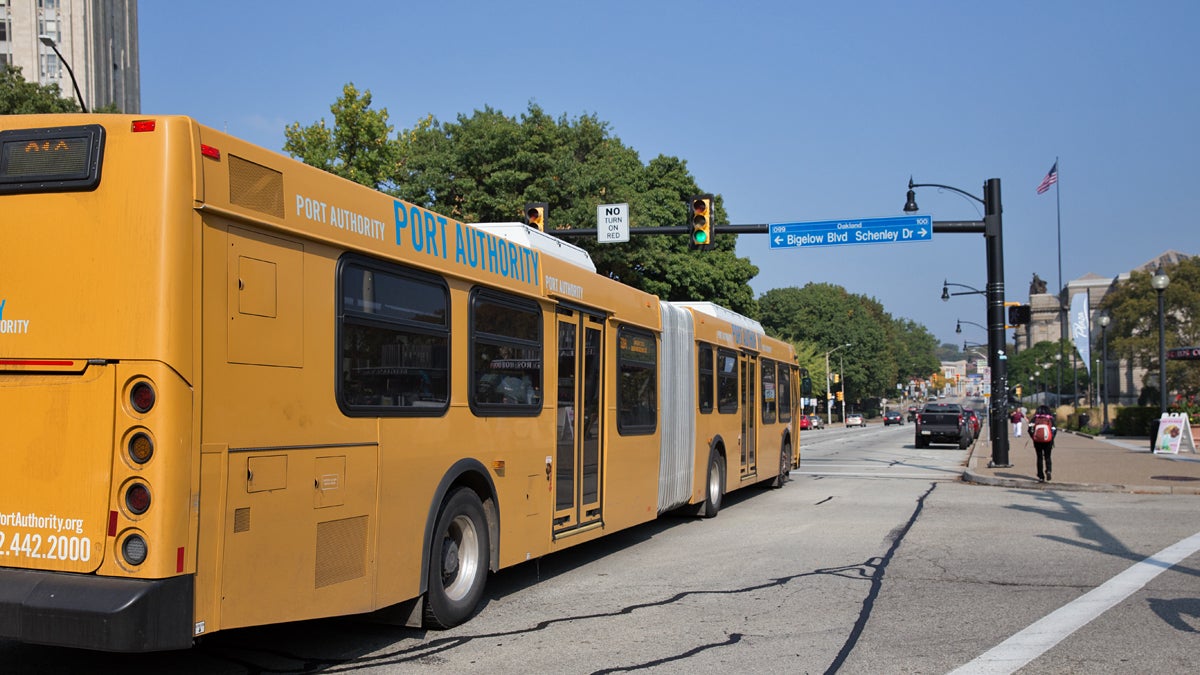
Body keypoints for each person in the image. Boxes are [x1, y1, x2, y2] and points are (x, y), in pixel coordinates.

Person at [1030, 405, 1056, 482]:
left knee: (1039, 457)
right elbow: (1054, 429)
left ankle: (1040, 475)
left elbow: (1029, 429)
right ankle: (1048, 470)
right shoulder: (1050, 419)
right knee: (1048, 456)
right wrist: (1052, 438)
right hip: (1048, 441)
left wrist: (1033, 437)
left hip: (1037, 441)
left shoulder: (1034, 419)